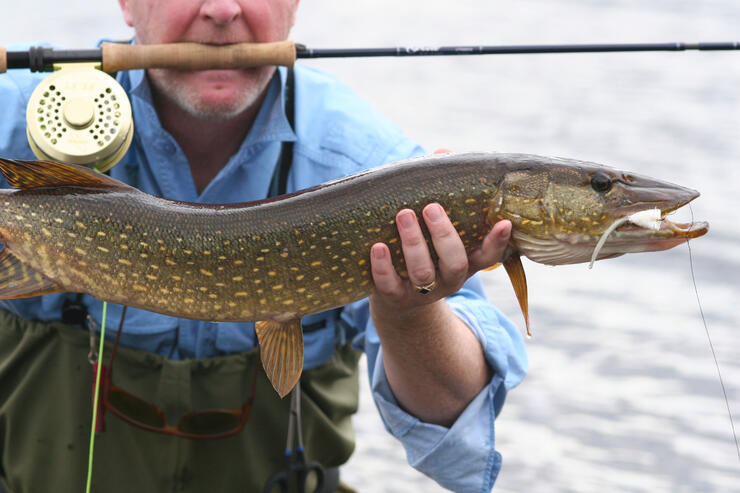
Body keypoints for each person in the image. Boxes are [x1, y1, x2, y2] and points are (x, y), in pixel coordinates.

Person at [0, 1, 528, 492]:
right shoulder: (17, 121)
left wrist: (411, 315)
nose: (224, 9)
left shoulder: (371, 165)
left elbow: (456, 440)